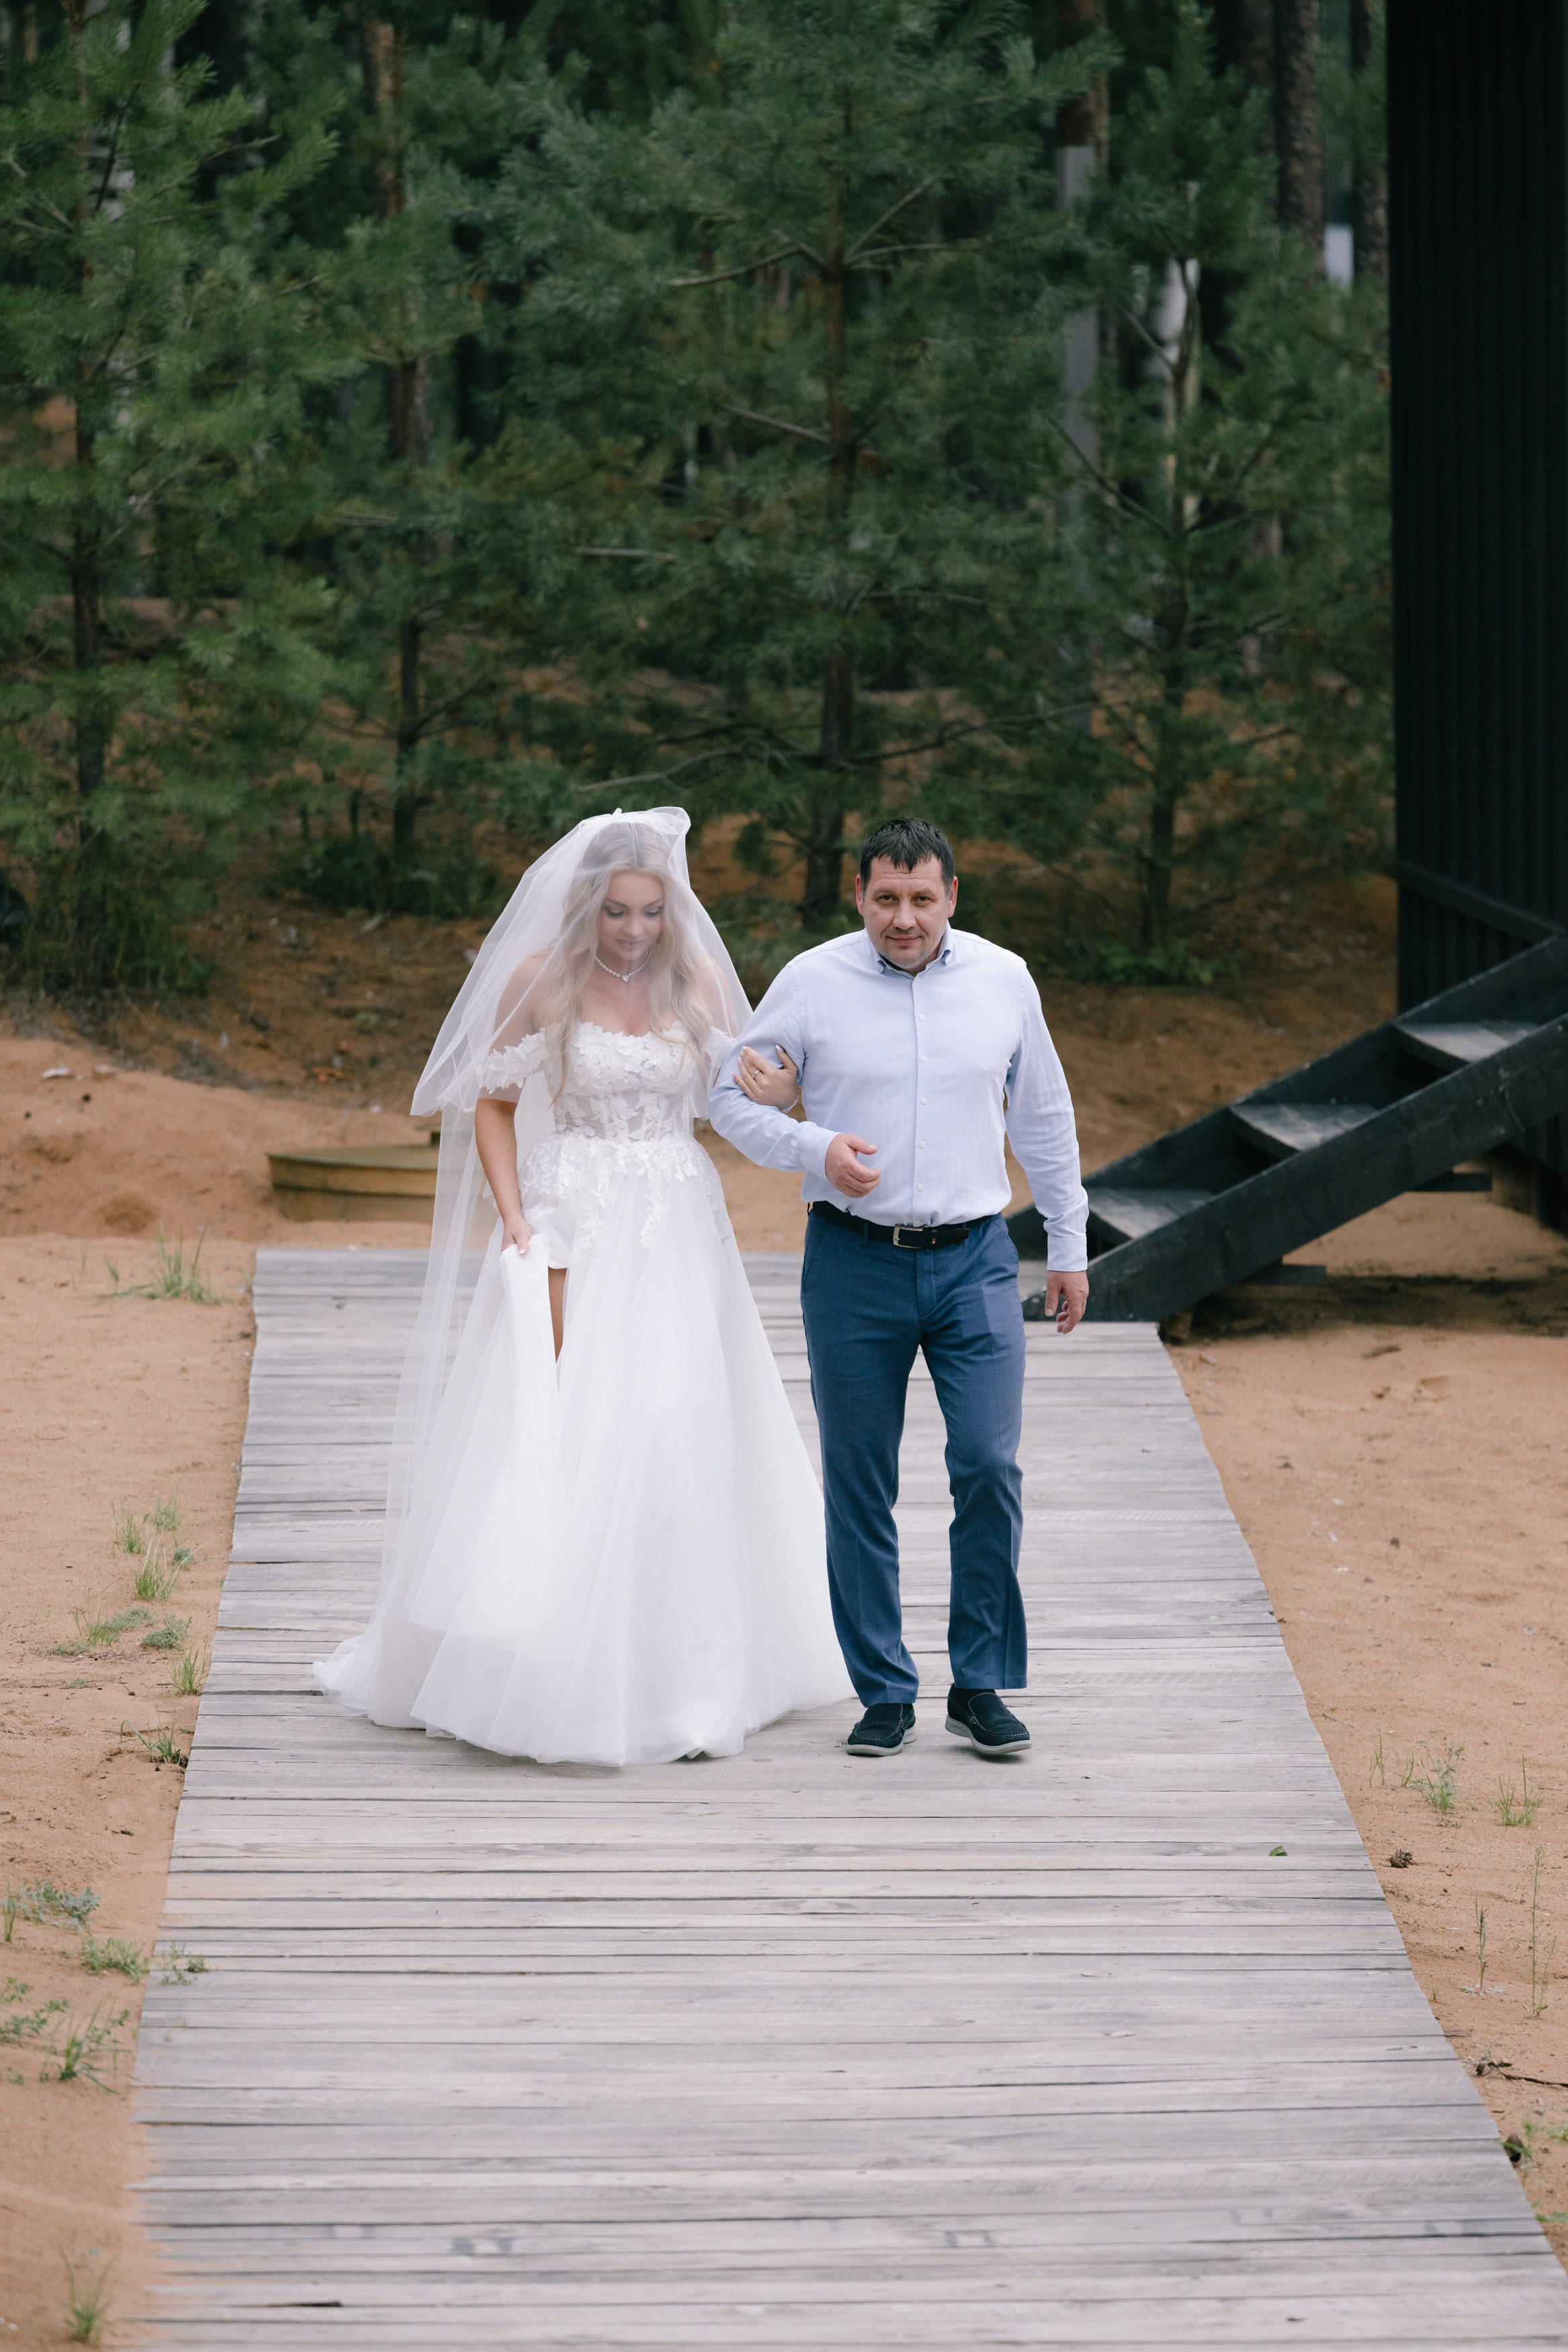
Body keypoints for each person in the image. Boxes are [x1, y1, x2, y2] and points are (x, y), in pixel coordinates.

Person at [315, 809, 852, 1766]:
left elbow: (745, 1090)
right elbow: (489, 1102)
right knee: (571, 1419)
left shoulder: (691, 986)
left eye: (650, 910)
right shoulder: (542, 982)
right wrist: (516, 1217)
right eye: (616, 911)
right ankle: (551, 1659)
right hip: (576, 1213)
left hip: (679, 1217)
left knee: (679, 1418)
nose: (634, 929)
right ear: (585, 905)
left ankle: (675, 1669)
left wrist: (776, 1095)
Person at [713, 817, 1089, 1760]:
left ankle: (980, 1682)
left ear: (951, 897)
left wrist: (1071, 1246)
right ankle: (882, 1688)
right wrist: (812, 1146)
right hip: (851, 1264)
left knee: (988, 1467)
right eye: (886, 897)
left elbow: (1042, 1116)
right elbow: (731, 1094)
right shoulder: (809, 982)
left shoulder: (1003, 979)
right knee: (857, 1481)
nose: (903, 917)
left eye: (922, 898)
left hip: (975, 1259)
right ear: (859, 895)